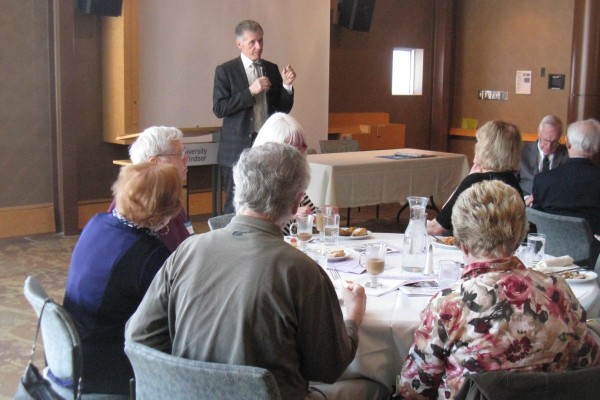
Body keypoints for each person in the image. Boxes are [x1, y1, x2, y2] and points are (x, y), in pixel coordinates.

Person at [125, 143, 366, 400]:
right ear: (297, 203)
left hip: (185, 395)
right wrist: (353, 317)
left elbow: (139, 335)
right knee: (373, 388)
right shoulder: (302, 272)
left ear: (237, 189)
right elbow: (328, 368)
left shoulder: (186, 251)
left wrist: (190, 378)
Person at [398, 180, 600, 399]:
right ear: (519, 238)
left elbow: (413, 391)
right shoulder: (557, 290)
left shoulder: (449, 305)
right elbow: (588, 361)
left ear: (461, 243)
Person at [63, 162, 182, 395]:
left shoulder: (96, 222)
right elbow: (176, 317)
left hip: (72, 352)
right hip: (108, 366)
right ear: (166, 208)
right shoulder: (150, 255)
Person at [213, 19, 296, 213]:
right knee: (234, 203)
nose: (258, 47)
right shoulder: (226, 71)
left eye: (261, 40)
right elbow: (219, 108)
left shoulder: (271, 68)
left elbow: (281, 109)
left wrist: (287, 86)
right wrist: (250, 91)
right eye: (252, 42)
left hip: (265, 145)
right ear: (239, 44)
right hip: (236, 149)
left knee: (265, 200)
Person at [427, 120, 524, 235]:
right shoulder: (514, 183)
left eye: (478, 142)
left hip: (470, 249)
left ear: (487, 148)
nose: (476, 146)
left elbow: (438, 227)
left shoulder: (476, 182)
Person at [108, 126, 191, 252]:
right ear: (155, 162)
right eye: (179, 154)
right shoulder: (133, 205)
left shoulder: (168, 195)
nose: (186, 159)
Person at [532, 118, 600, 235]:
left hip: (549, 251)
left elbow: (534, 224)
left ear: (567, 143)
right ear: (597, 147)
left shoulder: (542, 181)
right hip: (594, 251)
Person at [253, 112, 316, 235]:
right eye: (291, 150)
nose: (297, 157)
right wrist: (292, 216)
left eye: (300, 149)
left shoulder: (292, 179)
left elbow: (311, 210)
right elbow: (260, 227)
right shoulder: (259, 184)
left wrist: (322, 213)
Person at [520, 115, 569, 205]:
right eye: (545, 140)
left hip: (554, 207)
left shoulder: (566, 155)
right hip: (526, 206)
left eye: (554, 142)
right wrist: (526, 200)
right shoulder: (522, 152)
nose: (549, 146)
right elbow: (511, 183)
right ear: (539, 133)